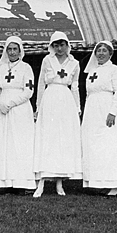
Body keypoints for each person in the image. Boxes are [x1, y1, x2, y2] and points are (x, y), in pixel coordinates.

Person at [32, 31, 82, 197]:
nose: (59, 48)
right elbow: (40, 84)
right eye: (56, 45)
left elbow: (75, 86)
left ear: (67, 45)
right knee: (48, 138)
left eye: (62, 45)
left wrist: (77, 108)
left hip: (66, 102)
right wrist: (38, 107)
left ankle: (60, 182)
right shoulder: (47, 60)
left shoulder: (74, 63)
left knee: (62, 141)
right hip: (50, 99)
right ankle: (41, 182)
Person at [81, 40, 117, 197]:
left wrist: (112, 112)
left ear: (110, 54)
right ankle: (98, 182)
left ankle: (115, 184)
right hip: (92, 112)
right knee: (94, 147)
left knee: (109, 146)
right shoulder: (91, 71)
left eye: (104, 51)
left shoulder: (115, 70)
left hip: (106, 111)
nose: (101, 53)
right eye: (98, 50)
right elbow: (89, 94)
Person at [0, 35, 37, 192]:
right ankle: (3, 183)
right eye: (9, 49)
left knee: (19, 144)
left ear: (20, 50)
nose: (12, 52)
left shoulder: (26, 68)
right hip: (2, 110)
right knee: (2, 144)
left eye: (14, 49)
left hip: (20, 110)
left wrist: (10, 103)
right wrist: (0, 103)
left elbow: (29, 91)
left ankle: (21, 182)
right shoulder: (1, 68)